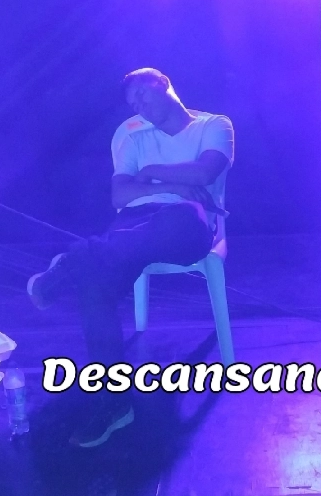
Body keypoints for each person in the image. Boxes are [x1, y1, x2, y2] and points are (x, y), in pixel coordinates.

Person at [27, 68, 234, 448]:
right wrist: (174, 184)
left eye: (142, 96)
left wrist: (151, 173)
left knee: (169, 223)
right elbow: (119, 196)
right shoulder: (133, 137)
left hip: (188, 223)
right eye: (132, 104)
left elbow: (206, 172)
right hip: (133, 224)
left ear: (163, 84)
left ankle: (68, 267)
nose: (138, 107)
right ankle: (113, 404)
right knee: (95, 284)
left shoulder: (213, 126)